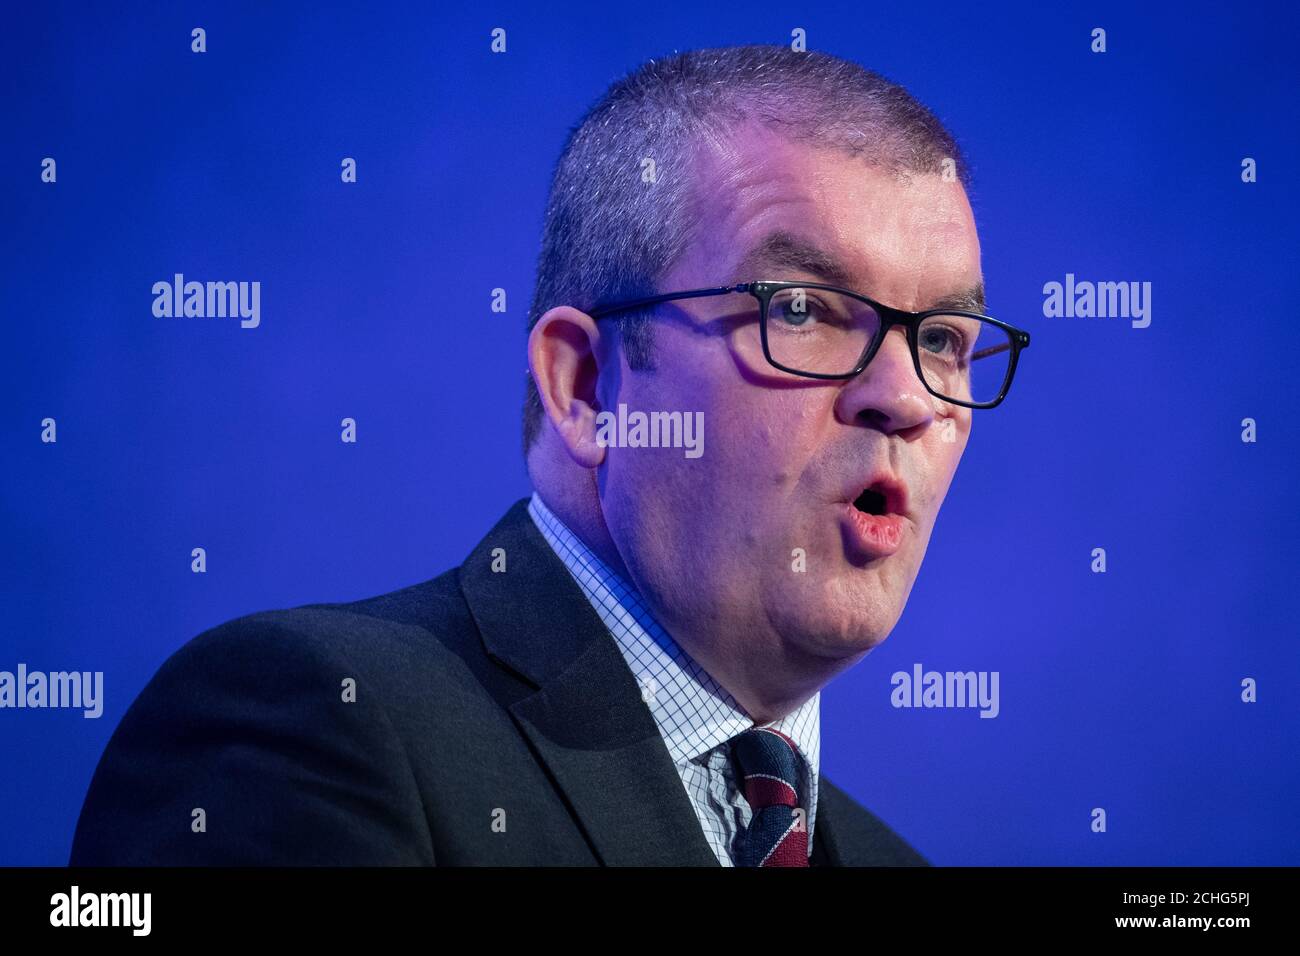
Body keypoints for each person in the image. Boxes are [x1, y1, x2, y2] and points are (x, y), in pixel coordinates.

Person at [70, 44, 1029, 867]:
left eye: (944, 337)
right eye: (801, 310)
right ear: (586, 387)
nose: (906, 398)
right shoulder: (312, 730)